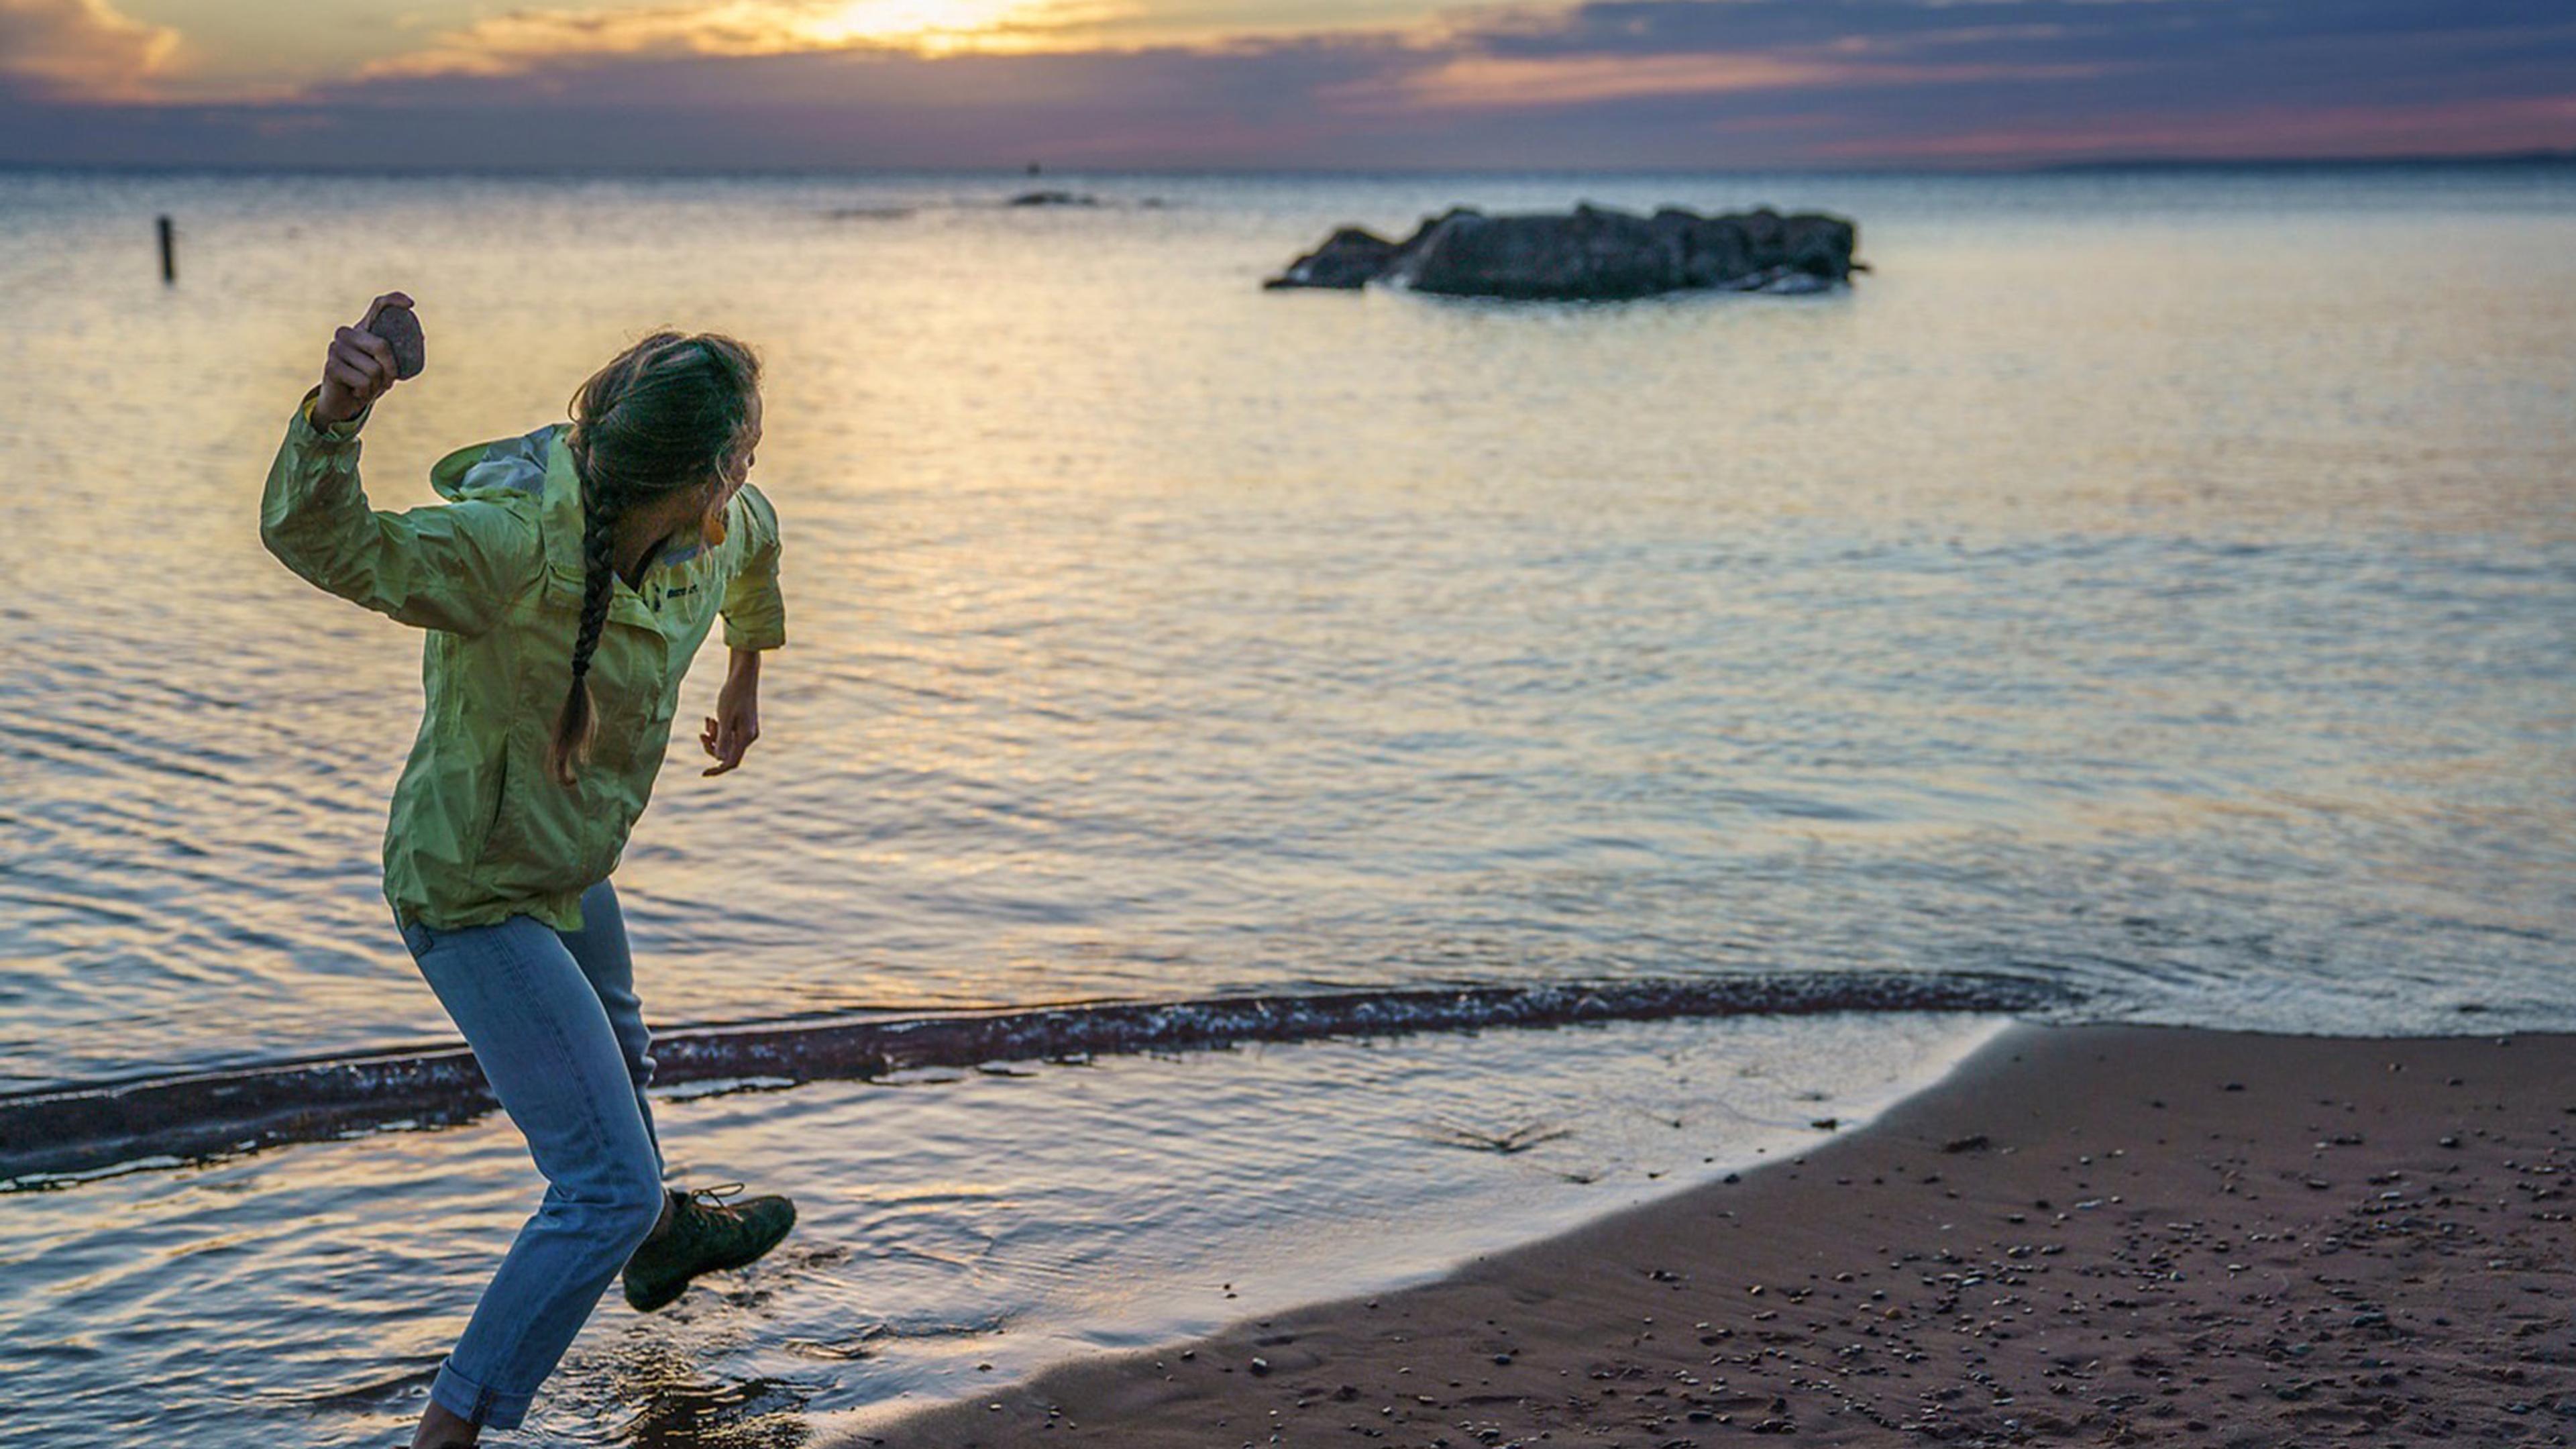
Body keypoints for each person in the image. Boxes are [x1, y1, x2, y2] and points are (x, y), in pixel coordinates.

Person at [260, 293, 800, 1448]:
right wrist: (336, 416)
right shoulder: (507, 551)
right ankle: (450, 1430)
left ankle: (662, 1251)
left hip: (571, 866)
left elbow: (760, 541)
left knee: (624, 1058)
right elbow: (327, 541)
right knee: (601, 1185)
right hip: (468, 891)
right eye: (744, 454)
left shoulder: (713, 530)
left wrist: (745, 678)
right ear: (698, 474)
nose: (752, 475)